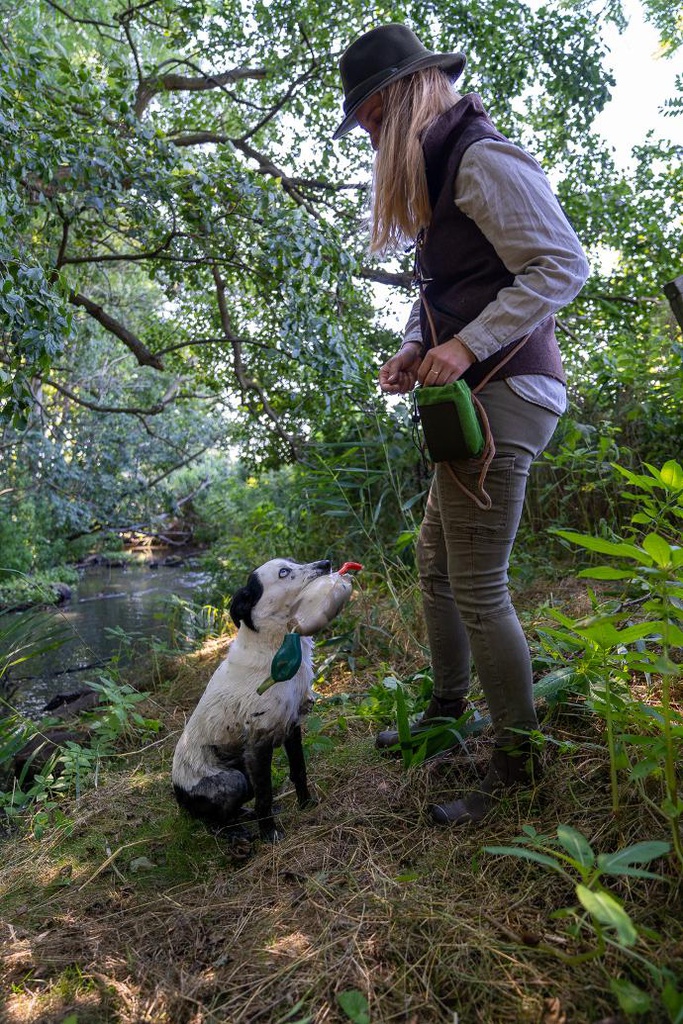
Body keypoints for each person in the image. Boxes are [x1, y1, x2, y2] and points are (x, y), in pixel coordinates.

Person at [333, 24, 589, 825]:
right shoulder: (438, 171)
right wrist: (417, 348)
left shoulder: (480, 156)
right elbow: (442, 289)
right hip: (473, 394)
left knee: (476, 583)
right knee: (434, 561)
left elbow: (560, 264)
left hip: (511, 391)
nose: (369, 140)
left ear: (398, 97)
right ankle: (448, 709)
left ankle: (519, 773)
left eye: (371, 122)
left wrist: (468, 345)